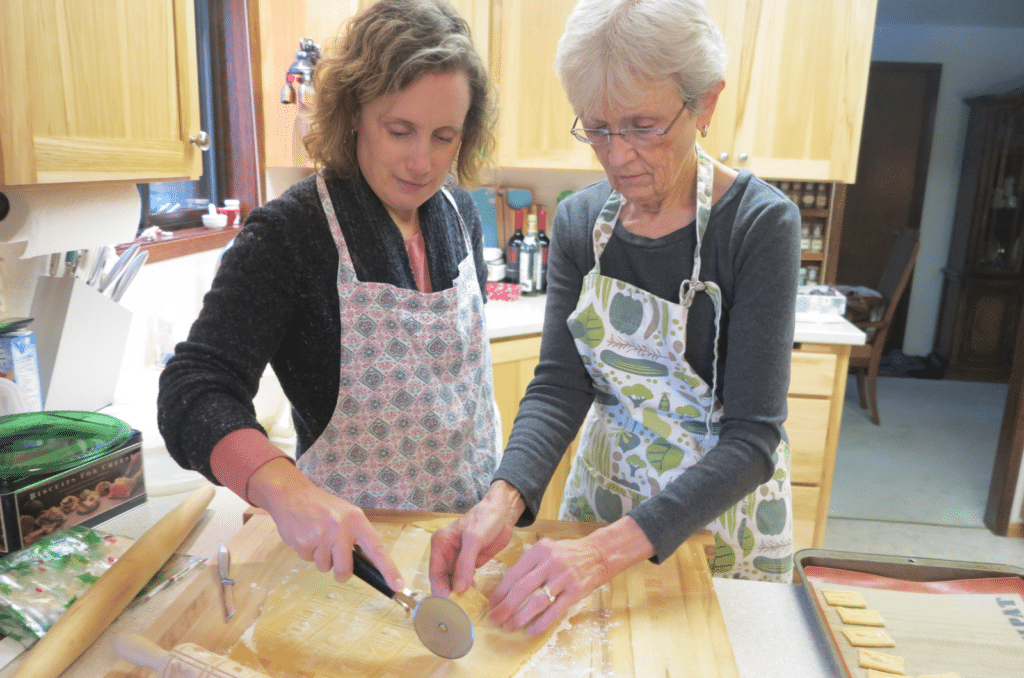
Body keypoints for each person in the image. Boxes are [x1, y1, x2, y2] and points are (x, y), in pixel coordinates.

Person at [429, 0, 800, 636]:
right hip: (601, 503)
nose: (618, 155)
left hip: (716, 520)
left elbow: (752, 440)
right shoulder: (580, 223)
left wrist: (604, 552)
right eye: (597, 128)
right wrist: (502, 497)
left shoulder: (758, 226)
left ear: (705, 104)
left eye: (643, 125)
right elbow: (558, 385)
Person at [158, 0, 498, 592]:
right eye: (399, 131)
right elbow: (192, 387)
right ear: (354, 115)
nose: (423, 162)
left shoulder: (458, 212)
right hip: (351, 568)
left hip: (463, 544)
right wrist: (281, 488)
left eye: (444, 137)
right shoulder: (293, 233)